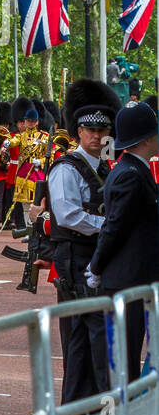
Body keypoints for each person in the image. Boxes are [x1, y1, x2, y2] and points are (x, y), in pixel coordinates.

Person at [47, 79, 118, 404]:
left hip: (95, 257)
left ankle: (90, 408)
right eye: (89, 130)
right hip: (76, 259)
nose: (96, 136)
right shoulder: (66, 168)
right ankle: (75, 411)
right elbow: (68, 216)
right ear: (77, 131)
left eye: (102, 130)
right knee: (80, 339)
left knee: (99, 338)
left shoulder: (104, 167)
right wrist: (109, 226)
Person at [88, 102, 158, 385]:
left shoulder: (134, 169)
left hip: (135, 277)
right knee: (124, 360)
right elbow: (114, 227)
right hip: (126, 278)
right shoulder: (131, 173)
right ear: (146, 139)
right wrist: (96, 266)